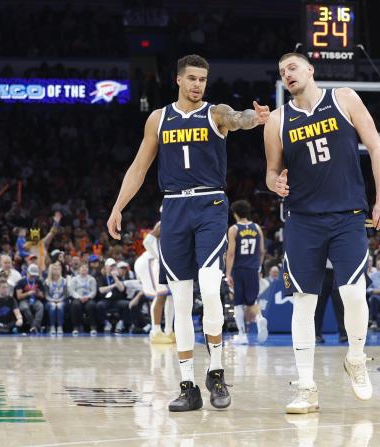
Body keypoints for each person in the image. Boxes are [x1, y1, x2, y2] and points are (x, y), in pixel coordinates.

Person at [106, 54, 269, 412]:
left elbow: (237, 118)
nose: (198, 84)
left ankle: (216, 373)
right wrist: (118, 207)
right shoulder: (158, 118)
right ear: (178, 80)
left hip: (210, 205)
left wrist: (253, 119)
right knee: (179, 302)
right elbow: (139, 167)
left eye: (203, 79)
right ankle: (187, 387)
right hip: (174, 208)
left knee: (210, 288)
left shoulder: (215, 113)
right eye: (192, 78)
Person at [264, 52, 380, 413]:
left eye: (292, 67)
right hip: (303, 219)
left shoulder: (344, 98)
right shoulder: (277, 120)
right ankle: (306, 387)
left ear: (310, 69)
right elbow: (271, 172)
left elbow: (376, 147)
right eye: (282, 71)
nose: (287, 74)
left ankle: (356, 358)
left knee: (353, 292)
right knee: (304, 301)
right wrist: (275, 184)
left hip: (347, 215)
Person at [225, 199, 268, 344]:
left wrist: (228, 273)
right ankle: (259, 318)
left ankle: (242, 334)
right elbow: (262, 251)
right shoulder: (257, 228)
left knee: (238, 303)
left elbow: (231, 253)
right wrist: (259, 268)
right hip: (253, 269)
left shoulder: (234, 229)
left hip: (238, 270)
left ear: (235, 214)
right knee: (252, 301)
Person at [134, 224, 175, 344]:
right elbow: (147, 241)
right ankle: (155, 332)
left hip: (162, 263)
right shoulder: (163, 222)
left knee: (170, 296)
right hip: (150, 262)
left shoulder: (180, 222)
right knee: (161, 295)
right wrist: (158, 257)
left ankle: (168, 331)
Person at [15, 264, 46, 334]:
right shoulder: (21, 282)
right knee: (25, 307)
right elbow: (19, 296)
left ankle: (34, 327)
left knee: (40, 306)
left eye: (34, 275)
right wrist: (28, 293)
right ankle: (35, 327)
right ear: (27, 273)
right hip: (24, 300)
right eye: (31, 275)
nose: (33, 277)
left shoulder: (38, 281)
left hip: (35, 300)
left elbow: (42, 296)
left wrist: (37, 293)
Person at [68, 264, 98, 335]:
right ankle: (75, 327)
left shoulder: (92, 279)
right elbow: (72, 291)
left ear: (88, 270)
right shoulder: (74, 279)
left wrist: (87, 297)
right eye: (82, 268)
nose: (84, 270)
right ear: (79, 270)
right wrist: (79, 297)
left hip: (88, 298)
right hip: (78, 297)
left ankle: (93, 327)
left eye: (85, 268)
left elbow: (94, 291)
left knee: (91, 305)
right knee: (75, 305)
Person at [45, 262, 68, 335]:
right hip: (50, 301)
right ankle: (52, 326)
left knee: (59, 306)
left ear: (60, 270)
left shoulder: (64, 281)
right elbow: (46, 295)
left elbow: (65, 295)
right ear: (51, 271)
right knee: (53, 306)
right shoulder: (47, 281)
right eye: (54, 269)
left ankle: (60, 326)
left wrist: (59, 300)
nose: (56, 271)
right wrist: (53, 300)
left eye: (58, 269)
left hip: (62, 300)